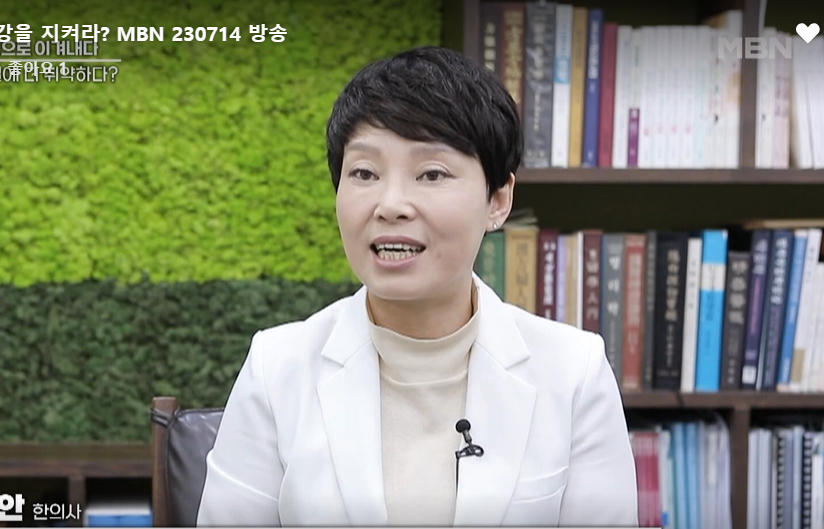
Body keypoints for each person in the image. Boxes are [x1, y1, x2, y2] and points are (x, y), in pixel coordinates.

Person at [196, 45, 638, 527]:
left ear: (498, 199)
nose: (391, 205)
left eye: (431, 174)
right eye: (364, 173)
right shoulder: (276, 368)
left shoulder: (574, 373)